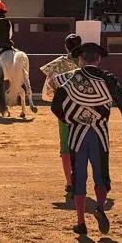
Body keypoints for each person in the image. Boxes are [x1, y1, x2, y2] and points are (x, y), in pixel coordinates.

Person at [50, 43, 122, 235]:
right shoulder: (108, 80)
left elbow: (55, 106)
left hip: (77, 133)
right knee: (101, 172)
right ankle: (100, 208)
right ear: (99, 59)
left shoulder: (69, 79)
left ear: (80, 60)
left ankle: (81, 222)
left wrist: (69, 119)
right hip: (100, 133)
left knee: (78, 175)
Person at [38, 34, 83, 200]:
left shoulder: (58, 64)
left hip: (64, 110)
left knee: (65, 147)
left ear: (66, 47)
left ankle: (70, 182)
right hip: (84, 110)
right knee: (82, 144)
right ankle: (80, 179)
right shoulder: (87, 62)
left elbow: (48, 90)